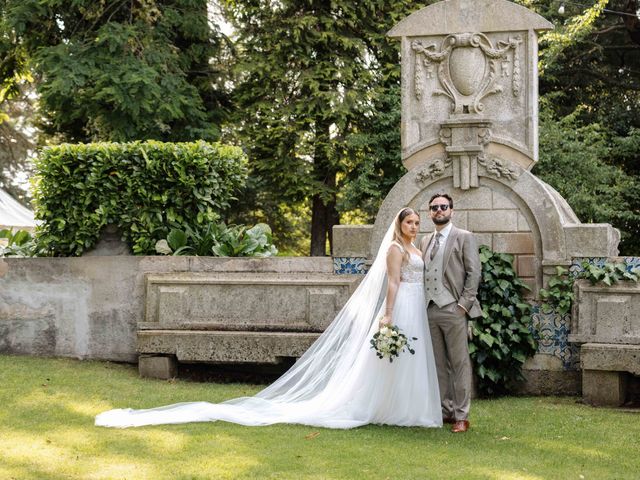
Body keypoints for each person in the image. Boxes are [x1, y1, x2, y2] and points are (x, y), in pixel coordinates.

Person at [95, 208, 442, 429]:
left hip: (417, 305)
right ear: (399, 225)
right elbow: (393, 283)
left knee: (410, 357)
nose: (413, 226)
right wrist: (387, 315)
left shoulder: (417, 247)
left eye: (415, 222)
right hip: (401, 306)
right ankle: (383, 407)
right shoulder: (396, 250)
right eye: (408, 222)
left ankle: (407, 408)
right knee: (390, 356)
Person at [420, 193, 482, 433]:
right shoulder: (424, 240)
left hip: (454, 308)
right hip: (429, 309)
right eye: (434, 207)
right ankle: (445, 411)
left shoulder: (463, 237)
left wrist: (463, 306)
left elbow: (473, 273)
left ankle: (461, 415)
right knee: (438, 364)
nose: (439, 211)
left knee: (459, 363)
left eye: (443, 207)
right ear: (429, 212)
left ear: (451, 210)